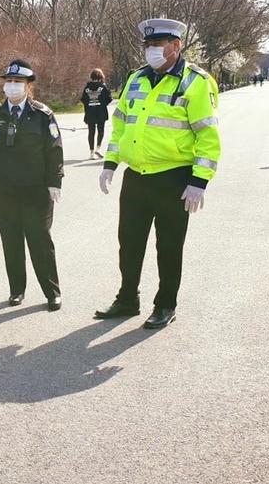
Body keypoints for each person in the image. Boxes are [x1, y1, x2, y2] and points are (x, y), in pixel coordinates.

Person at [94, 18, 220, 329]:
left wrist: (198, 182)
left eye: (157, 45)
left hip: (173, 178)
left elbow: (207, 136)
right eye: (148, 45)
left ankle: (165, 304)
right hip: (136, 176)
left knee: (169, 247)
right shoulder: (136, 79)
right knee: (130, 243)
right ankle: (127, 299)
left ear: (175, 46)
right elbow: (120, 125)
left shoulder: (195, 82)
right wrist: (111, 163)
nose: (151, 50)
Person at [0, 59, 64, 311]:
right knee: (11, 241)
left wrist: (54, 182)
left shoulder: (42, 115)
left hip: (36, 191)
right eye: (9, 82)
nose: (13, 86)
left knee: (40, 241)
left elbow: (54, 151)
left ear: (28, 86)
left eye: (18, 82)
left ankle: (52, 292)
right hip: (4, 191)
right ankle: (17, 289)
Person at [80, 68, 113, 159]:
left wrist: (89, 105)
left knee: (91, 131)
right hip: (101, 112)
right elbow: (110, 98)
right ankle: (98, 148)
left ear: (92, 76)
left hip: (90, 112)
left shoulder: (87, 88)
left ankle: (91, 152)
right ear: (101, 76)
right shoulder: (103, 87)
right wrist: (102, 104)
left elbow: (83, 99)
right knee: (100, 130)